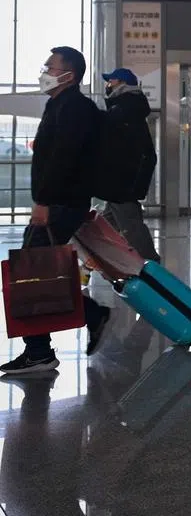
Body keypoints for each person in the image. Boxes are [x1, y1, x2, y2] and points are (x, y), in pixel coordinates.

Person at [1, 47, 111, 375]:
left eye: (50, 66)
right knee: (39, 271)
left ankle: (43, 350)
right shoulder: (60, 104)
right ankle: (46, 345)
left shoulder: (75, 108)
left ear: (69, 74)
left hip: (60, 203)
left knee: (31, 272)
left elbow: (62, 160)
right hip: (61, 201)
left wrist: (44, 202)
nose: (44, 71)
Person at [95, 68, 160, 263]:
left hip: (123, 177)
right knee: (104, 227)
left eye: (111, 81)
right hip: (122, 175)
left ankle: (152, 267)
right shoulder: (127, 106)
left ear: (122, 83)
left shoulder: (125, 107)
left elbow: (120, 145)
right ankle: (87, 267)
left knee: (130, 225)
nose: (108, 85)